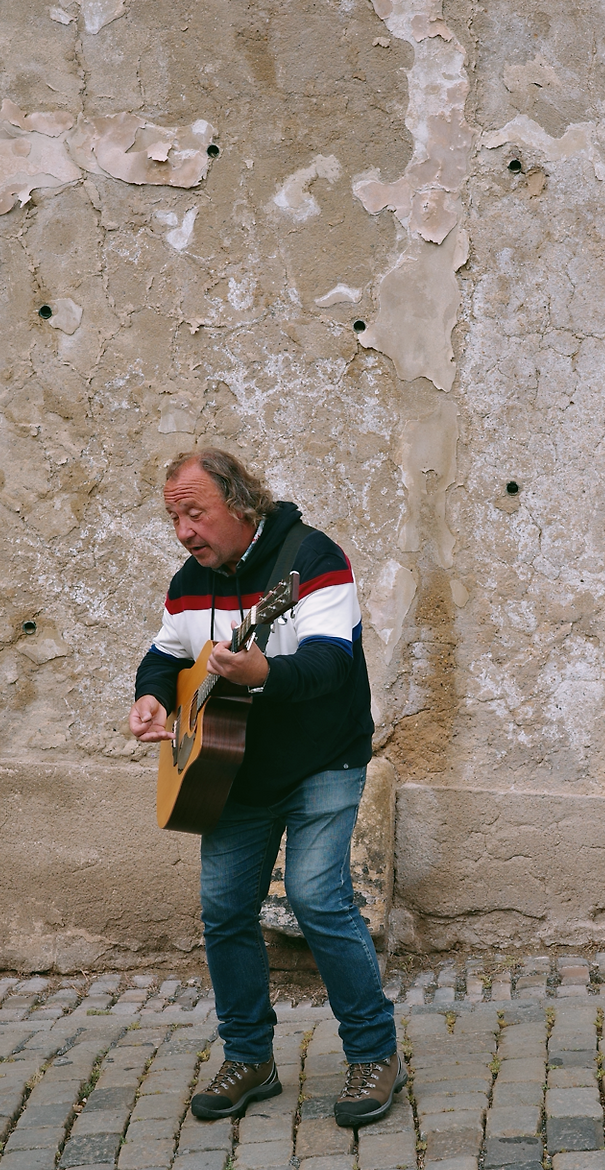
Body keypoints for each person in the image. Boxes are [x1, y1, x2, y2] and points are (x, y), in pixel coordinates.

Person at [128, 448, 403, 1128]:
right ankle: (249, 1058)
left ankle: (375, 1053)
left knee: (317, 898)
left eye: (196, 514)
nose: (184, 532)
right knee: (224, 910)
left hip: (323, 760)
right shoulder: (190, 581)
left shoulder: (312, 560)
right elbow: (165, 653)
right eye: (174, 518)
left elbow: (330, 664)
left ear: (240, 504)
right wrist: (151, 697)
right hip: (231, 769)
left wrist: (263, 675)